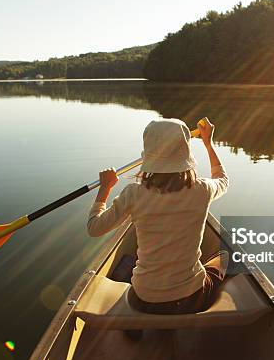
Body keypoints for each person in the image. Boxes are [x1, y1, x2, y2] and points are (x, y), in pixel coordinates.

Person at [87, 117, 229, 315]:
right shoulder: (202, 190)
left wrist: (105, 188)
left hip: (142, 299)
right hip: (190, 299)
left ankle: (139, 322)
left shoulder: (133, 194)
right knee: (225, 255)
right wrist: (208, 143)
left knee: (131, 264)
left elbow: (94, 228)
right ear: (185, 153)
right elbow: (222, 179)